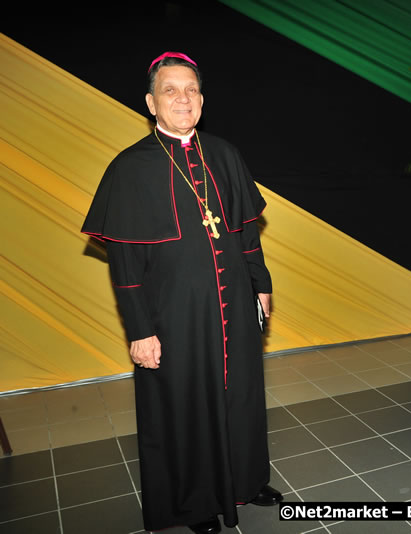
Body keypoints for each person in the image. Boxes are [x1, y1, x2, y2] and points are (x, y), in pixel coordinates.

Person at [81, 52, 282, 534]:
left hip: (234, 300)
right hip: (175, 315)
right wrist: (140, 331)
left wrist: (262, 284)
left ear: (203, 99)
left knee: (243, 396)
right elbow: (126, 266)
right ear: (151, 102)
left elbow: (246, 230)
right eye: (170, 90)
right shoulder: (130, 168)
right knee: (187, 406)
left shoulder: (225, 154)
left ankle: (247, 481)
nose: (182, 98)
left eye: (191, 89)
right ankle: (196, 503)